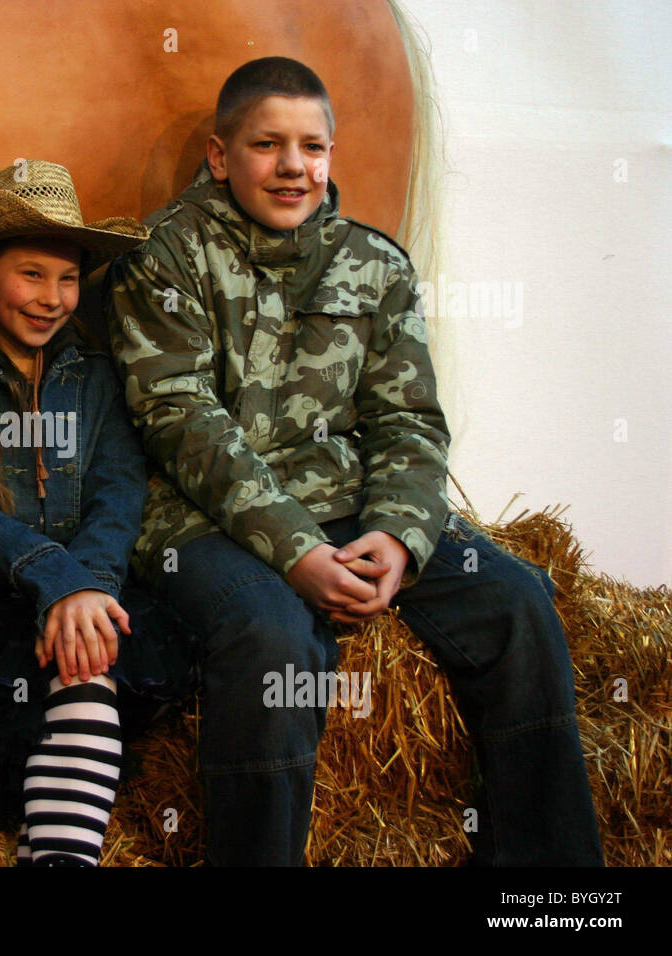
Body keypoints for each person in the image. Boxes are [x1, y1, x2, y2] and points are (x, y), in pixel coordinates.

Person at [105, 57, 603, 866]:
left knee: (516, 602)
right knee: (271, 640)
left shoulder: (376, 264)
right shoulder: (164, 256)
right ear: (219, 154)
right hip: (198, 517)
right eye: (267, 144)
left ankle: (551, 888)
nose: (294, 166)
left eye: (313, 146)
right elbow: (177, 418)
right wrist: (298, 551)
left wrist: (401, 535)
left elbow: (408, 420)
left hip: (347, 500)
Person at [0, 160, 184, 866]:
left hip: (94, 590)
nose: (53, 298)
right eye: (30, 274)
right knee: (22, 728)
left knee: (92, 665)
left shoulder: (96, 376)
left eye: (67, 277)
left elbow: (120, 490)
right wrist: (53, 576)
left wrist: (88, 587)